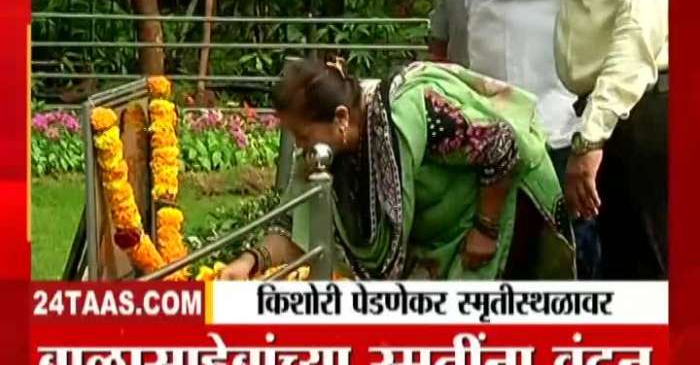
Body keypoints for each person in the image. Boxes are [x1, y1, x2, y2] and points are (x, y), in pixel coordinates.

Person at [221, 59, 575, 281]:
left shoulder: (411, 109)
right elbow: (299, 226)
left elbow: (501, 145)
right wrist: (250, 262)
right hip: (441, 240)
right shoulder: (326, 152)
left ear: (341, 118)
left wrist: (487, 227)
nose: (299, 146)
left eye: (302, 135)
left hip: (506, 212)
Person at [428, 0, 599, 278]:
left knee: (563, 265)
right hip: (473, 131)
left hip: (552, 126)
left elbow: (595, 0)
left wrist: (593, 136)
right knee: (489, 266)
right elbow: (446, 7)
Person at [555, 0, 669, 279]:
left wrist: (592, 136)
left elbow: (638, 30)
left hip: (637, 110)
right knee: (627, 267)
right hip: (623, 111)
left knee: (648, 274)